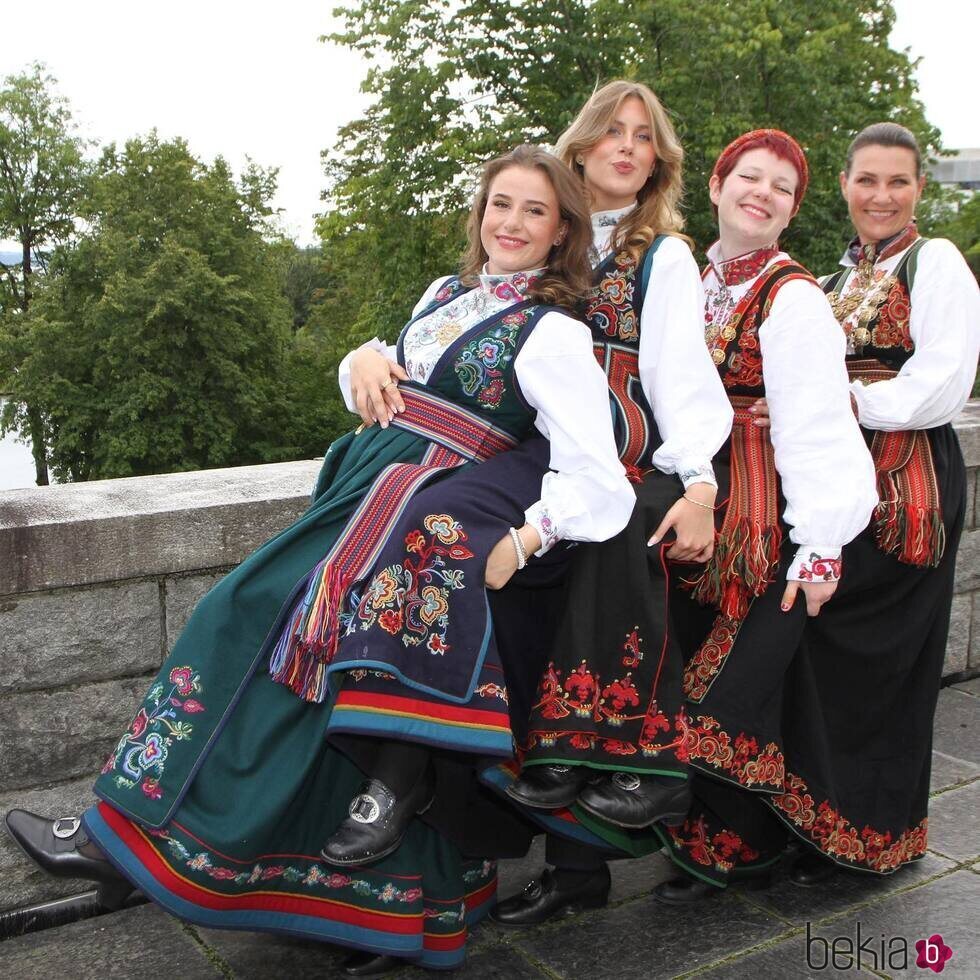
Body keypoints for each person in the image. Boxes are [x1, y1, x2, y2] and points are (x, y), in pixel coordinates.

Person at [4, 145, 636, 973]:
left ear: (561, 237)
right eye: (499, 205)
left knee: (284, 639)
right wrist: (362, 360)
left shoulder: (552, 333)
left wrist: (527, 537)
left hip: (421, 515)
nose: (510, 224)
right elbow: (379, 378)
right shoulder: (446, 294)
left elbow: (599, 475)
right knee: (260, 634)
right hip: (363, 493)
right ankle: (137, 843)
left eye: (533, 212)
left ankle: (376, 908)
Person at [481, 80, 733, 924]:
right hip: (534, 452)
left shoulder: (661, 255)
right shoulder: (548, 235)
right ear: (581, 145)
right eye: (612, 131)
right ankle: (559, 861)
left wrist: (698, 481)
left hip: (625, 457)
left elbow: (680, 378)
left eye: (644, 137)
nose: (627, 146)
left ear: (656, 161)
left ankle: (632, 767)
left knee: (611, 553)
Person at [631, 128, 879, 903]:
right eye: (748, 177)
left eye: (780, 187)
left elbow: (816, 425)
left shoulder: (793, 295)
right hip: (691, 499)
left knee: (728, 684)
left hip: (761, 517)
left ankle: (737, 846)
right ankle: (716, 846)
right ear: (714, 185)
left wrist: (822, 544)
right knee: (684, 660)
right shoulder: (682, 276)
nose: (761, 193)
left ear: (793, 209)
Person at [745, 122, 979, 887]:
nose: (881, 196)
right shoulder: (839, 283)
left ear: (919, 189)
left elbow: (943, 384)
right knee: (834, 657)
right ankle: (816, 827)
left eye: (899, 181)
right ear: (844, 186)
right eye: (867, 180)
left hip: (910, 482)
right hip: (844, 474)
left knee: (881, 658)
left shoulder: (934, 261)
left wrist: (835, 399)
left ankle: (872, 836)